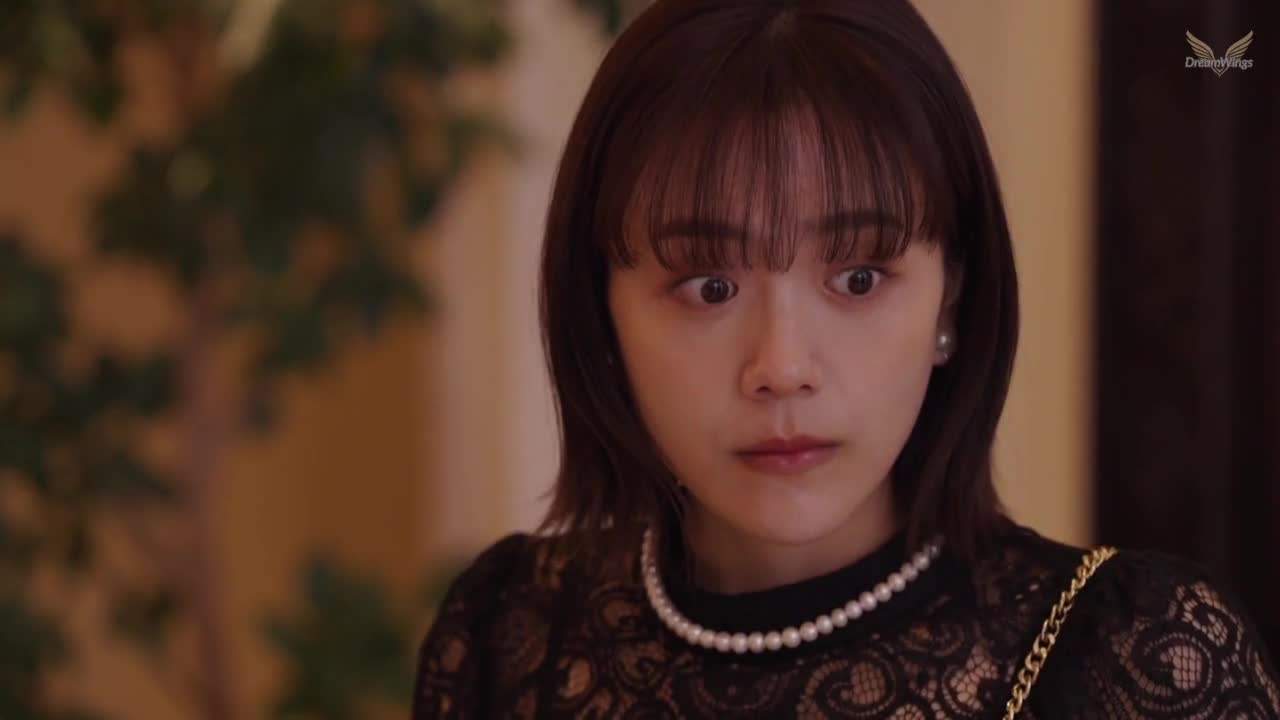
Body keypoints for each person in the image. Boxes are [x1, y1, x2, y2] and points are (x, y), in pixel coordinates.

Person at [412, 0, 1280, 717]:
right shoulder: (508, 637)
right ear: (601, 311)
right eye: (710, 287)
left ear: (950, 299)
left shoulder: (1139, 660)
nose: (783, 366)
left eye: (859, 278)